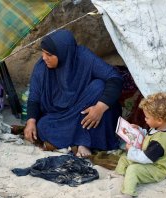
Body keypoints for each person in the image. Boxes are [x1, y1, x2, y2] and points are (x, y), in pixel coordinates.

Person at [23, 29, 123, 157]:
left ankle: (78, 143)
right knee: (42, 126)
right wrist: (30, 122)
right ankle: (84, 141)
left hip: (85, 111)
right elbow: (34, 98)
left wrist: (99, 108)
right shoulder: (41, 67)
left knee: (100, 87)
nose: (44, 58)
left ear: (63, 53)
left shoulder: (83, 57)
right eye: (43, 53)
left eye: (49, 54)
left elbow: (115, 78)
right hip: (60, 116)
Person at [113, 92, 166, 197]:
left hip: (156, 169)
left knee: (133, 169)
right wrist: (139, 130)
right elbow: (149, 136)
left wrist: (131, 149)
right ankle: (119, 176)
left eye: (147, 117)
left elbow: (145, 158)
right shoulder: (158, 128)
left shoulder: (160, 142)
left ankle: (128, 193)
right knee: (124, 159)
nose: (145, 119)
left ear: (159, 120)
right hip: (149, 160)